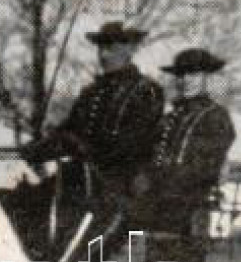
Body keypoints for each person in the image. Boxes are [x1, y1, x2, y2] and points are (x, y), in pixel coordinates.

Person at [17, 20, 167, 244]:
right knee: (25, 202)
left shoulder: (146, 91)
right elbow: (68, 130)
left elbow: (134, 143)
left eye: (112, 48)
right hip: (82, 179)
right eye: (101, 48)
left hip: (120, 185)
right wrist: (37, 150)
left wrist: (81, 147)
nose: (104, 55)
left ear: (130, 50)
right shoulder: (91, 93)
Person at [136, 47, 237, 236]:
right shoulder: (170, 118)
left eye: (193, 74)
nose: (186, 81)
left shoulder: (215, 116)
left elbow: (204, 168)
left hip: (191, 210)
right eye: (181, 75)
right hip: (158, 208)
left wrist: (161, 181)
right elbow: (149, 157)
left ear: (206, 77)